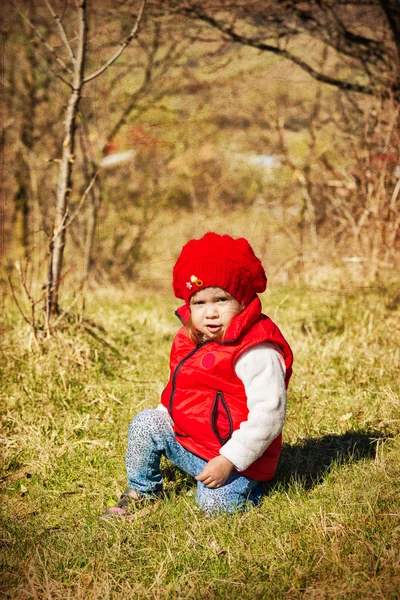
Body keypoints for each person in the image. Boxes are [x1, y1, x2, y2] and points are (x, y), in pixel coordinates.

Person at [104, 232, 293, 517]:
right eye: (199, 303)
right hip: (193, 442)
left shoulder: (257, 350)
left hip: (239, 457)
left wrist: (229, 460)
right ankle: (142, 491)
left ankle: (249, 489)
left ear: (242, 299)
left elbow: (269, 414)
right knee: (145, 423)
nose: (211, 313)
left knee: (213, 506)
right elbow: (181, 390)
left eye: (221, 300)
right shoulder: (191, 338)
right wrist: (162, 421)